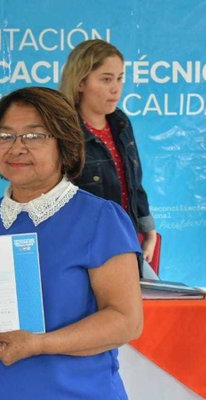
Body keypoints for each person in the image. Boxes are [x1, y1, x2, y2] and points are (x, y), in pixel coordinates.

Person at [0, 87, 143, 399]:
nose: (17, 147)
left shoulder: (100, 218)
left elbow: (125, 322)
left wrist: (38, 344)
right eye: (5, 135)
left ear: (65, 144)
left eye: (34, 136)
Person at [60, 39, 158, 276]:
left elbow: (134, 183)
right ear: (81, 82)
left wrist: (148, 230)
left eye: (120, 78)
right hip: (83, 249)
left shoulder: (121, 123)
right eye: (106, 79)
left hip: (127, 241)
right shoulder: (63, 129)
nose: (116, 88)